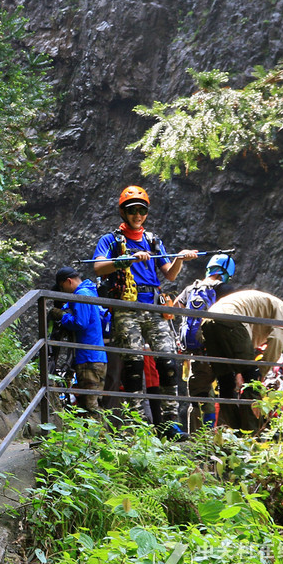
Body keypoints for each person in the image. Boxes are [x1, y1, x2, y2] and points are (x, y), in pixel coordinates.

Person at [91, 185, 198, 437]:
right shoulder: (111, 240)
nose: (137, 215)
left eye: (142, 210)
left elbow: (169, 274)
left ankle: (170, 423)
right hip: (127, 306)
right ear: (123, 213)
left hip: (154, 304)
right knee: (133, 364)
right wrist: (126, 259)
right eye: (132, 211)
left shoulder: (152, 240)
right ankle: (139, 424)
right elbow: (98, 267)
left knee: (168, 360)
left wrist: (181, 258)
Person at [199, 289, 283, 432]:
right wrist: (260, 374)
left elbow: (242, 344)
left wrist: (238, 371)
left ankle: (234, 431)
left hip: (208, 321)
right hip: (231, 318)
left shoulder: (265, 308)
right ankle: (251, 435)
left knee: (226, 382)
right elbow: (277, 340)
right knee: (252, 381)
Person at [173, 254, 236, 431]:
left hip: (196, 353)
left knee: (199, 396)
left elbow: (174, 307)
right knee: (226, 393)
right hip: (218, 351)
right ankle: (222, 436)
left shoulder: (191, 288)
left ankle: (197, 438)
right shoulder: (225, 289)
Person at [52, 267, 108, 414]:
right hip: (98, 357)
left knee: (89, 406)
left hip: (88, 357)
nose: (63, 291)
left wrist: (62, 316)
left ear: (68, 281)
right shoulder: (91, 292)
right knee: (95, 403)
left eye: (61, 287)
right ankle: (100, 435)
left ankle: (98, 436)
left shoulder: (81, 294)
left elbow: (80, 323)